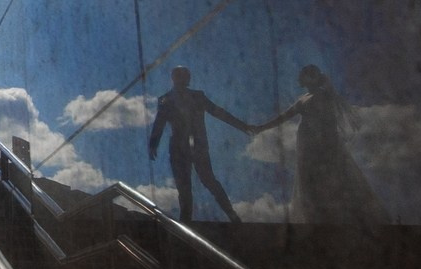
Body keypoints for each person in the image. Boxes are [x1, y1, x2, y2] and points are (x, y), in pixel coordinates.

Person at [249, 64, 390, 225]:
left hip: (322, 145)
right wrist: (261, 128)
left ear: (312, 77)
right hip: (307, 145)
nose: (300, 78)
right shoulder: (303, 99)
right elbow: (283, 117)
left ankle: (332, 218)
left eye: (304, 75)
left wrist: (327, 143)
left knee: (329, 180)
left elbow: (330, 122)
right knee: (309, 181)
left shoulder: (324, 95)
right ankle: (315, 219)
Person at [146, 66, 247, 222]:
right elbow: (159, 123)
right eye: (182, 75)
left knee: (209, 180)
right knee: (184, 187)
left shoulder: (198, 96)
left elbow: (217, 112)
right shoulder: (165, 99)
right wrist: (153, 143)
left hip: (198, 146)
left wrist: (242, 126)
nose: (186, 78)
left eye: (187, 75)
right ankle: (186, 221)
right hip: (178, 148)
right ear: (174, 78)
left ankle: (231, 213)